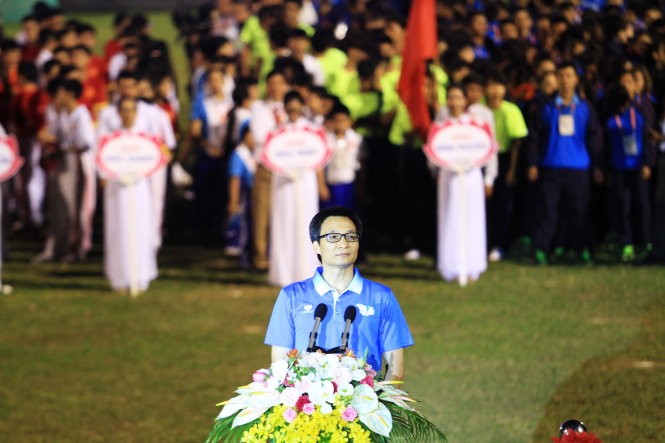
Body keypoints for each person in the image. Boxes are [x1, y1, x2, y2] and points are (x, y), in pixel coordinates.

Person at [265, 206, 414, 380]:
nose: (343, 244)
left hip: (366, 404)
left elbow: (395, 370)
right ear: (316, 247)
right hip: (305, 406)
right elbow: (279, 366)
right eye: (333, 237)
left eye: (351, 236)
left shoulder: (381, 297)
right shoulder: (291, 296)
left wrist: (375, 404)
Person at [526, 62, 602, 265]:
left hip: (579, 168)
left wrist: (597, 166)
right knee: (547, 211)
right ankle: (542, 249)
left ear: (576, 79)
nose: (565, 80)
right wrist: (533, 163)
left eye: (569, 76)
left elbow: (594, 138)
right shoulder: (547, 108)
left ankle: (583, 248)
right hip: (550, 166)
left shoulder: (585, 108)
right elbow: (534, 137)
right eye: (561, 76)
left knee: (580, 211)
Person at [100, 97, 158, 293]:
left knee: (141, 230)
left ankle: (141, 275)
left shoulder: (145, 138)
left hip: (140, 189)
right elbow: (102, 162)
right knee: (118, 230)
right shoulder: (112, 138)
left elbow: (155, 160)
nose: (128, 114)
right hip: (117, 190)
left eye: (131, 110)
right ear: (118, 113)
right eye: (124, 110)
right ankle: (119, 276)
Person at [435, 84, 492, 283]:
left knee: (472, 218)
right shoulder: (441, 125)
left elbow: (487, 148)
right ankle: (451, 266)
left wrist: (488, 177)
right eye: (450, 97)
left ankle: (473, 265)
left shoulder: (475, 123)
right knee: (450, 217)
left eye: (458, 97)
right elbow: (434, 151)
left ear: (465, 100)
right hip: (449, 177)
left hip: (471, 176)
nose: (454, 102)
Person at [267, 91, 324, 286]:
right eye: (289, 108)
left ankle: (306, 269)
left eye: (295, 107)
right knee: (284, 220)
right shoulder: (277, 132)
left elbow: (319, 157)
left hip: (306, 180)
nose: (292, 112)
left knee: (306, 220)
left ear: (302, 107)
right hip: (283, 182)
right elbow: (269, 156)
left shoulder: (311, 130)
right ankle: (283, 273)